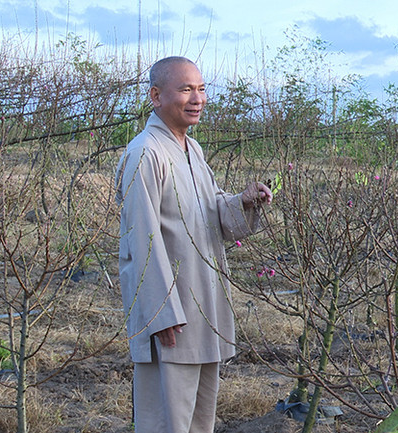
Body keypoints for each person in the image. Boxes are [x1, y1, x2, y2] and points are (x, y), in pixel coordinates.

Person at [115, 56, 272, 433]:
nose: (196, 98)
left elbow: (210, 213)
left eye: (201, 89)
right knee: (164, 422)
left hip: (202, 308)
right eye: (185, 89)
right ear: (155, 95)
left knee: (200, 421)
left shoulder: (193, 150)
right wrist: (159, 314)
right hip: (172, 316)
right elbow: (142, 239)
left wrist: (243, 202)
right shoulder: (146, 154)